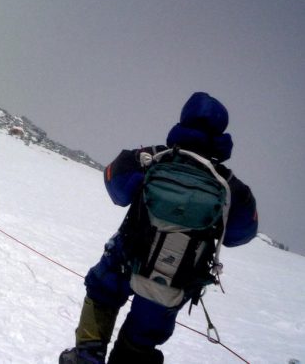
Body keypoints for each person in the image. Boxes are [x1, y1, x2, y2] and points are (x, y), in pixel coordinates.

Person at [60, 92, 258, 364]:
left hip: (125, 257)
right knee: (143, 336)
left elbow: (116, 189)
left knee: (102, 294)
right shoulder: (231, 187)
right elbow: (241, 234)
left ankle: (86, 356)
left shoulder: (150, 158)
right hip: (176, 277)